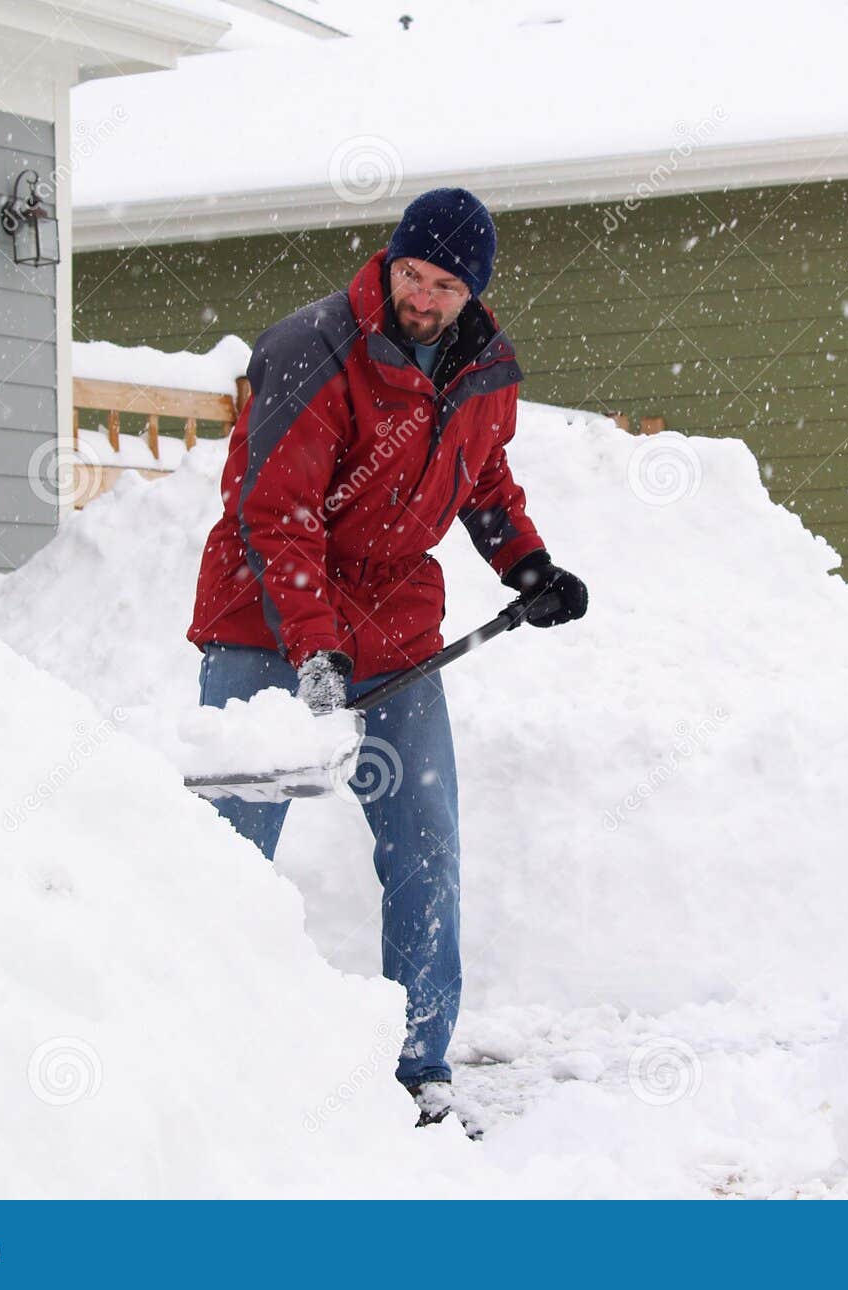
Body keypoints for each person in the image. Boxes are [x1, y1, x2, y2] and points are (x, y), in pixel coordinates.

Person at [188, 187, 587, 1131]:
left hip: (395, 626)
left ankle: (419, 1068)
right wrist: (313, 650)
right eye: (412, 274)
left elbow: (483, 475)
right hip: (262, 619)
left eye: (445, 284)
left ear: (473, 292)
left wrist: (524, 561)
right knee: (228, 851)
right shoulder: (311, 347)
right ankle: (204, 1051)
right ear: (390, 261)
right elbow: (274, 516)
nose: (423, 295)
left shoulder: (487, 366)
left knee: (425, 846)